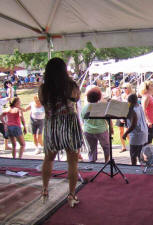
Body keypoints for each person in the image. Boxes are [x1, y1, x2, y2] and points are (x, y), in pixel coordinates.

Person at [38, 57, 83, 208]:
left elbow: (45, 107)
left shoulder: (43, 88)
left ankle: (44, 190)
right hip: (69, 123)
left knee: (48, 158)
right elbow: (76, 99)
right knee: (72, 161)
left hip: (52, 124)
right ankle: (71, 194)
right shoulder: (71, 85)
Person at [81, 87, 111, 163]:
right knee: (106, 147)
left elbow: (83, 119)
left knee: (92, 148)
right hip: (101, 130)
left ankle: (92, 162)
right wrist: (111, 129)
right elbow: (108, 119)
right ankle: (107, 161)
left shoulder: (84, 108)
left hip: (88, 131)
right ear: (98, 97)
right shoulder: (102, 107)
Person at [122, 94, 148, 165]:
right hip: (143, 132)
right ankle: (142, 169)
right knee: (140, 153)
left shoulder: (133, 109)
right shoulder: (139, 106)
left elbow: (133, 125)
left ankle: (134, 169)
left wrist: (125, 133)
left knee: (133, 155)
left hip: (137, 134)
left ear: (129, 101)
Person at [117, 83, 132, 153]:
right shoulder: (122, 95)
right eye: (123, 88)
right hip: (121, 114)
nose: (124, 89)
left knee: (127, 132)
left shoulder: (132, 96)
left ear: (129, 88)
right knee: (121, 131)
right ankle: (123, 147)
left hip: (128, 115)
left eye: (125, 87)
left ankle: (131, 146)